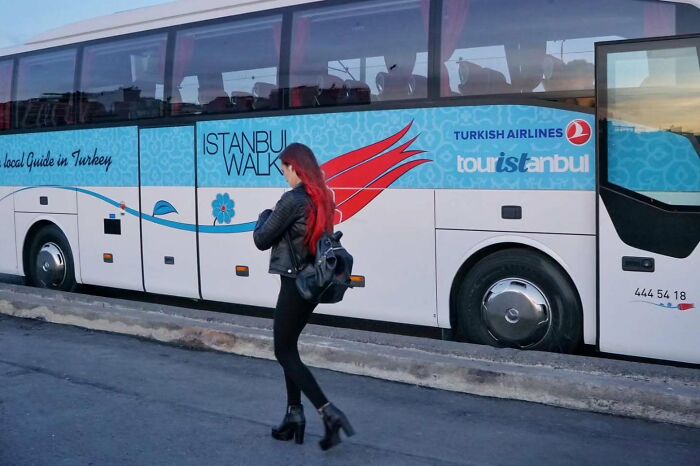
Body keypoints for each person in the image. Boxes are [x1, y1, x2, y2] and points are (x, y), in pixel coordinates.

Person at [253, 143, 355, 451]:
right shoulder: (320, 197)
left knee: (283, 351)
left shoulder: (292, 200)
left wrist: (264, 216)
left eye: (284, 168)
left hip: (294, 284)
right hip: (310, 285)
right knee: (289, 348)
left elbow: (261, 239)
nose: (283, 174)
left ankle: (328, 412)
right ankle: (293, 416)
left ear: (296, 168)